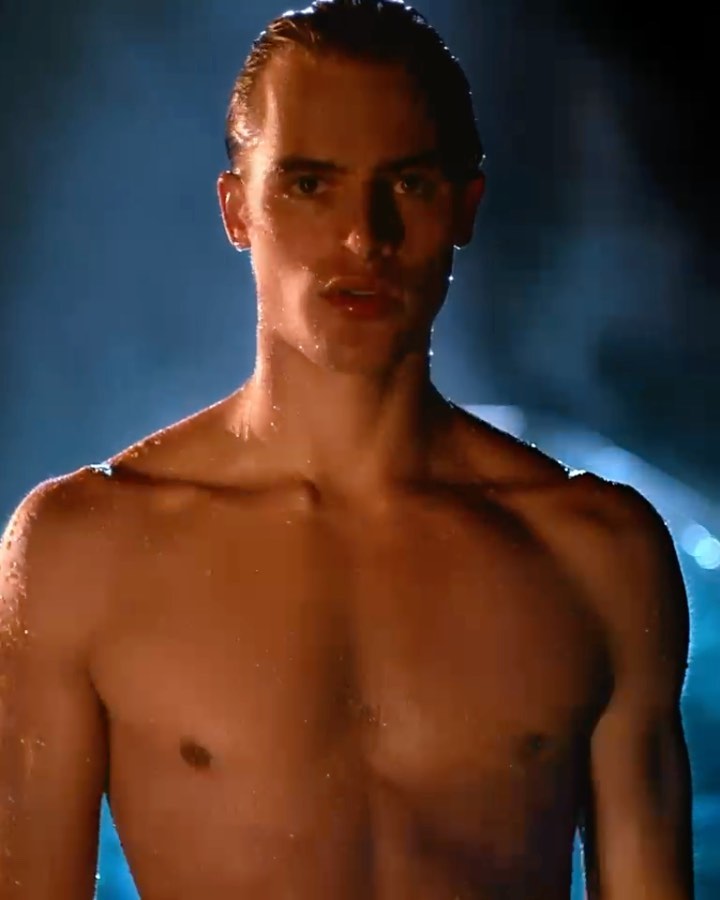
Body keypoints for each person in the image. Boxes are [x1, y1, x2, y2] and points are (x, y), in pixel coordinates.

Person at [0, 1, 695, 897]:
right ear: (237, 209)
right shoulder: (81, 550)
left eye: (408, 184)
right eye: (309, 184)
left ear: (465, 207)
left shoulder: (600, 556)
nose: (366, 237)